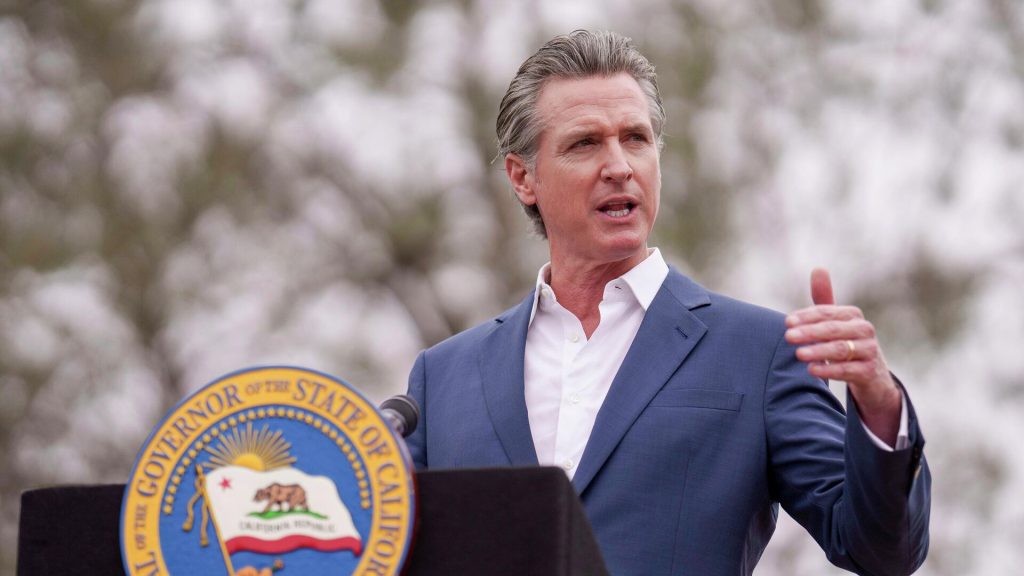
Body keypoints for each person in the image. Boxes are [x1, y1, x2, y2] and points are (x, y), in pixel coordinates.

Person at [405, 30, 930, 575]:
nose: (619, 166)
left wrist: (878, 402)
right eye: (585, 143)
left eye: (635, 138)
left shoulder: (760, 352)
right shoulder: (442, 379)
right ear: (522, 178)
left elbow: (880, 550)